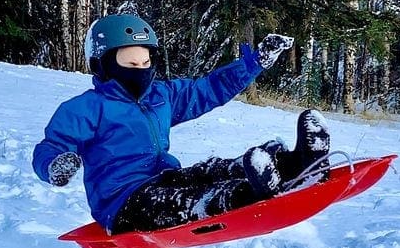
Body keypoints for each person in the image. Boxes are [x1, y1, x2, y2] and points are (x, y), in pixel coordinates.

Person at [32, 13, 332, 234]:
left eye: (145, 61)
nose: (140, 69)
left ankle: (295, 163)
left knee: (210, 170)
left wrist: (254, 63)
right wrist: (54, 165)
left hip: (164, 176)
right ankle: (249, 194)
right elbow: (52, 145)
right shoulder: (87, 108)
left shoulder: (161, 96)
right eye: (130, 62)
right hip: (123, 204)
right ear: (103, 64)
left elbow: (209, 89)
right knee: (185, 201)